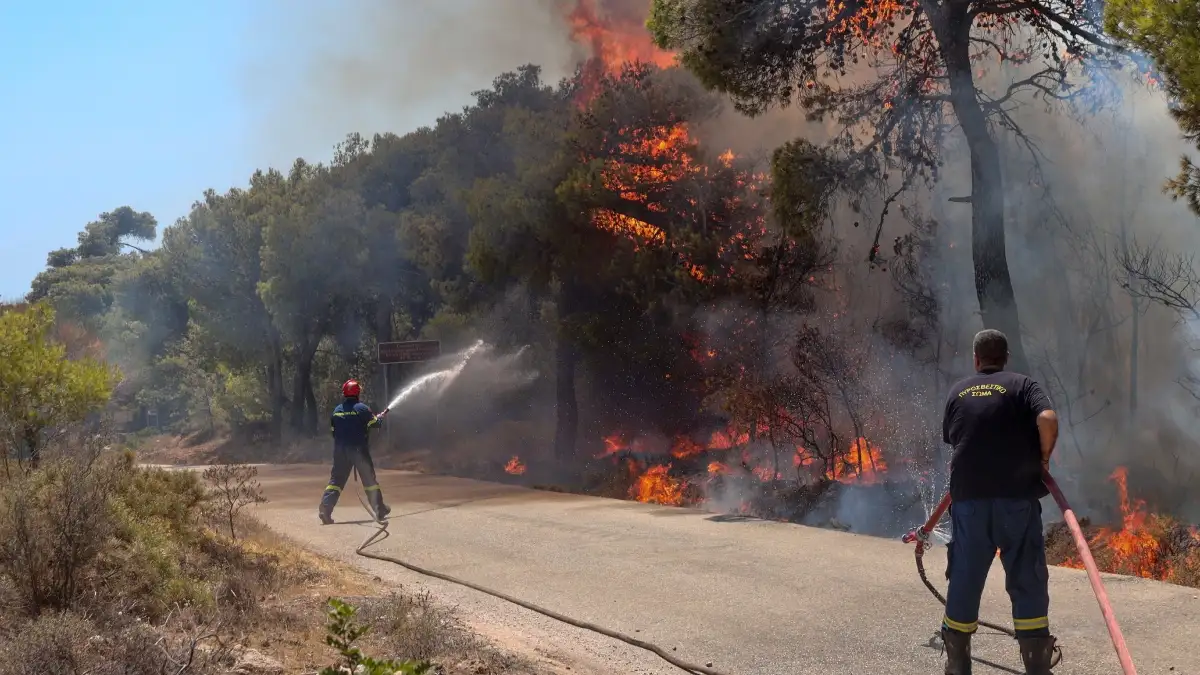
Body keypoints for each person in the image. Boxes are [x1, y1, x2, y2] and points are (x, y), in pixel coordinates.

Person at [939, 329, 1060, 675]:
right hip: (1015, 498)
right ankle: (1037, 663)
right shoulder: (1023, 385)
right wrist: (1044, 456)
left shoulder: (958, 390)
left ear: (976, 360)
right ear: (1006, 358)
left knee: (964, 575)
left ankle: (958, 663)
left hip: (969, 499)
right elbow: (1048, 419)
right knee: (1026, 576)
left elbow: (957, 438)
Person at [319, 379, 391, 524]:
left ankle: (325, 509)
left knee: (336, 481)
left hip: (340, 451)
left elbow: (333, 432)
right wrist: (380, 417)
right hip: (359, 451)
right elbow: (375, 424)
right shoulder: (362, 409)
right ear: (357, 392)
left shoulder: (337, 410)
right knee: (369, 480)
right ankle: (379, 509)